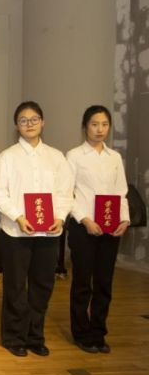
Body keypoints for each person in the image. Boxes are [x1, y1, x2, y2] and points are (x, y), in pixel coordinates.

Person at [0, 101, 73, 357]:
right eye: (23, 120)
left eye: (34, 119)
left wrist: (60, 217)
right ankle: (14, 337)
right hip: (16, 232)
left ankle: (35, 336)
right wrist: (18, 216)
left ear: (43, 122)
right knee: (15, 287)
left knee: (42, 286)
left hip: (48, 232)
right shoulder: (7, 157)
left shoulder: (56, 157)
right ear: (17, 125)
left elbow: (65, 192)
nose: (29, 124)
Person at [66, 105, 130, 354]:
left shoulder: (114, 157)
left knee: (104, 282)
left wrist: (124, 219)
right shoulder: (74, 156)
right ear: (85, 127)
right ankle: (81, 333)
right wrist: (85, 219)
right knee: (83, 282)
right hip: (84, 227)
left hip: (110, 228)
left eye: (104, 124)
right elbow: (67, 193)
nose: (100, 129)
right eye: (94, 124)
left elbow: (121, 191)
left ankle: (98, 333)